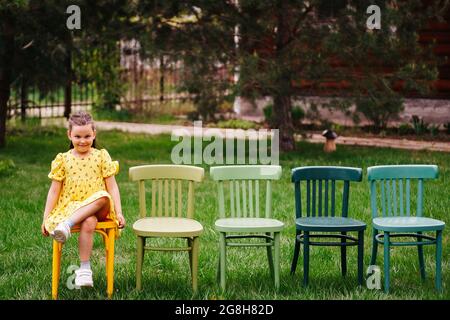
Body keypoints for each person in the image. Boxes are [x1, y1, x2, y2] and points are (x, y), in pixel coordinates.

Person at [41, 111, 126, 288]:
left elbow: (112, 187)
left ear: (94, 134)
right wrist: (46, 218)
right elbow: (54, 191)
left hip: (100, 206)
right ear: (69, 135)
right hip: (73, 208)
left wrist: (119, 212)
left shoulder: (101, 156)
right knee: (89, 221)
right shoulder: (63, 159)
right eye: (77, 136)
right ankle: (85, 270)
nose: (82, 140)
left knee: (103, 196)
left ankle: (67, 225)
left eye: (87, 136)